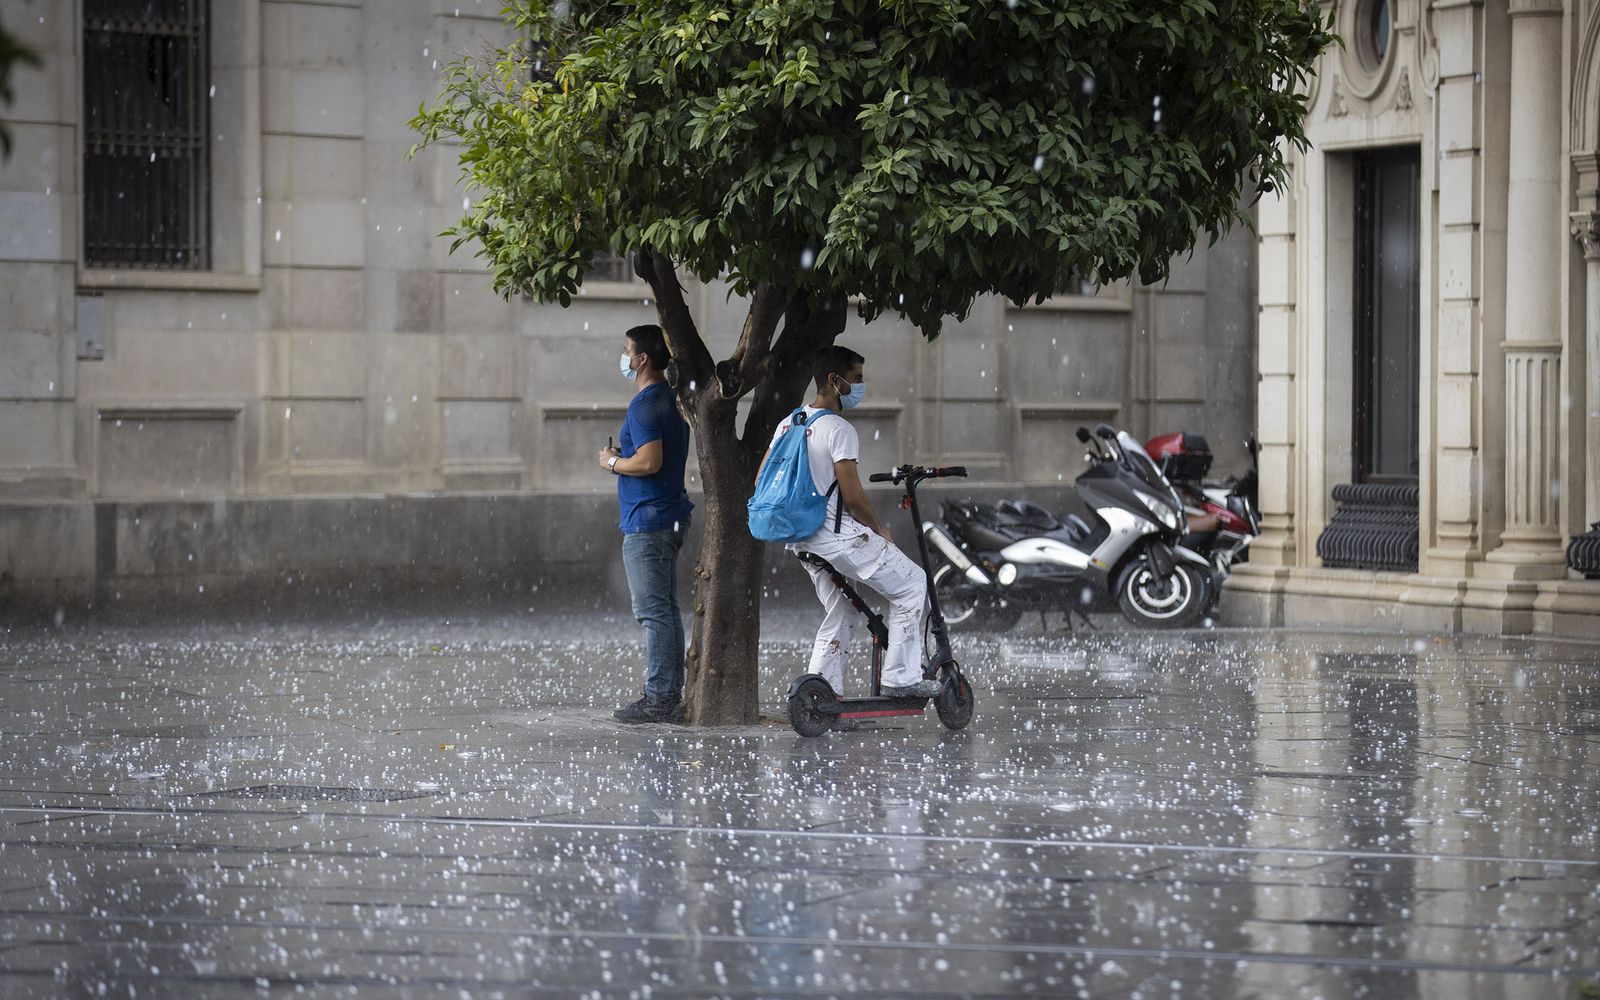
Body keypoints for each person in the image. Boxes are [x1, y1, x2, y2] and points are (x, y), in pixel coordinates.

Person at [758, 345, 938, 700]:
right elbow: (854, 497)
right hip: (836, 537)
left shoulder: (788, 422)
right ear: (833, 380)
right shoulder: (838, 429)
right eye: (856, 379)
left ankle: (821, 695)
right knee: (913, 584)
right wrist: (878, 529)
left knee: (842, 608)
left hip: (800, 537)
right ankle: (901, 679)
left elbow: (762, 478)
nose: (860, 386)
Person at [599, 324, 694, 723]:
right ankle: (668, 693)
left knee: (653, 612)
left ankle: (659, 697)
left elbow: (650, 461)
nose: (624, 358)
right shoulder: (670, 400)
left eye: (627, 351)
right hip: (669, 515)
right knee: (666, 610)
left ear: (642, 359)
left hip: (648, 520)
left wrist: (612, 462)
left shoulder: (643, 405)